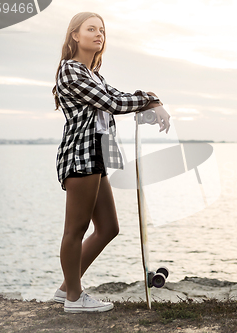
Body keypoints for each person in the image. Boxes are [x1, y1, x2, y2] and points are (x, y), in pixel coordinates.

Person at [51, 12, 170, 313]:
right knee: (75, 230)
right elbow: (114, 104)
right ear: (74, 35)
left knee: (108, 228)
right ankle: (75, 299)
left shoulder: (95, 76)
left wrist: (150, 100)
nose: (98, 33)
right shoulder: (71, 72)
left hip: (96, 156)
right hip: (80, 154)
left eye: (101, 29)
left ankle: (67, 288)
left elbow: (118, 95)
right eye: (90, 28)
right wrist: (151, 101)